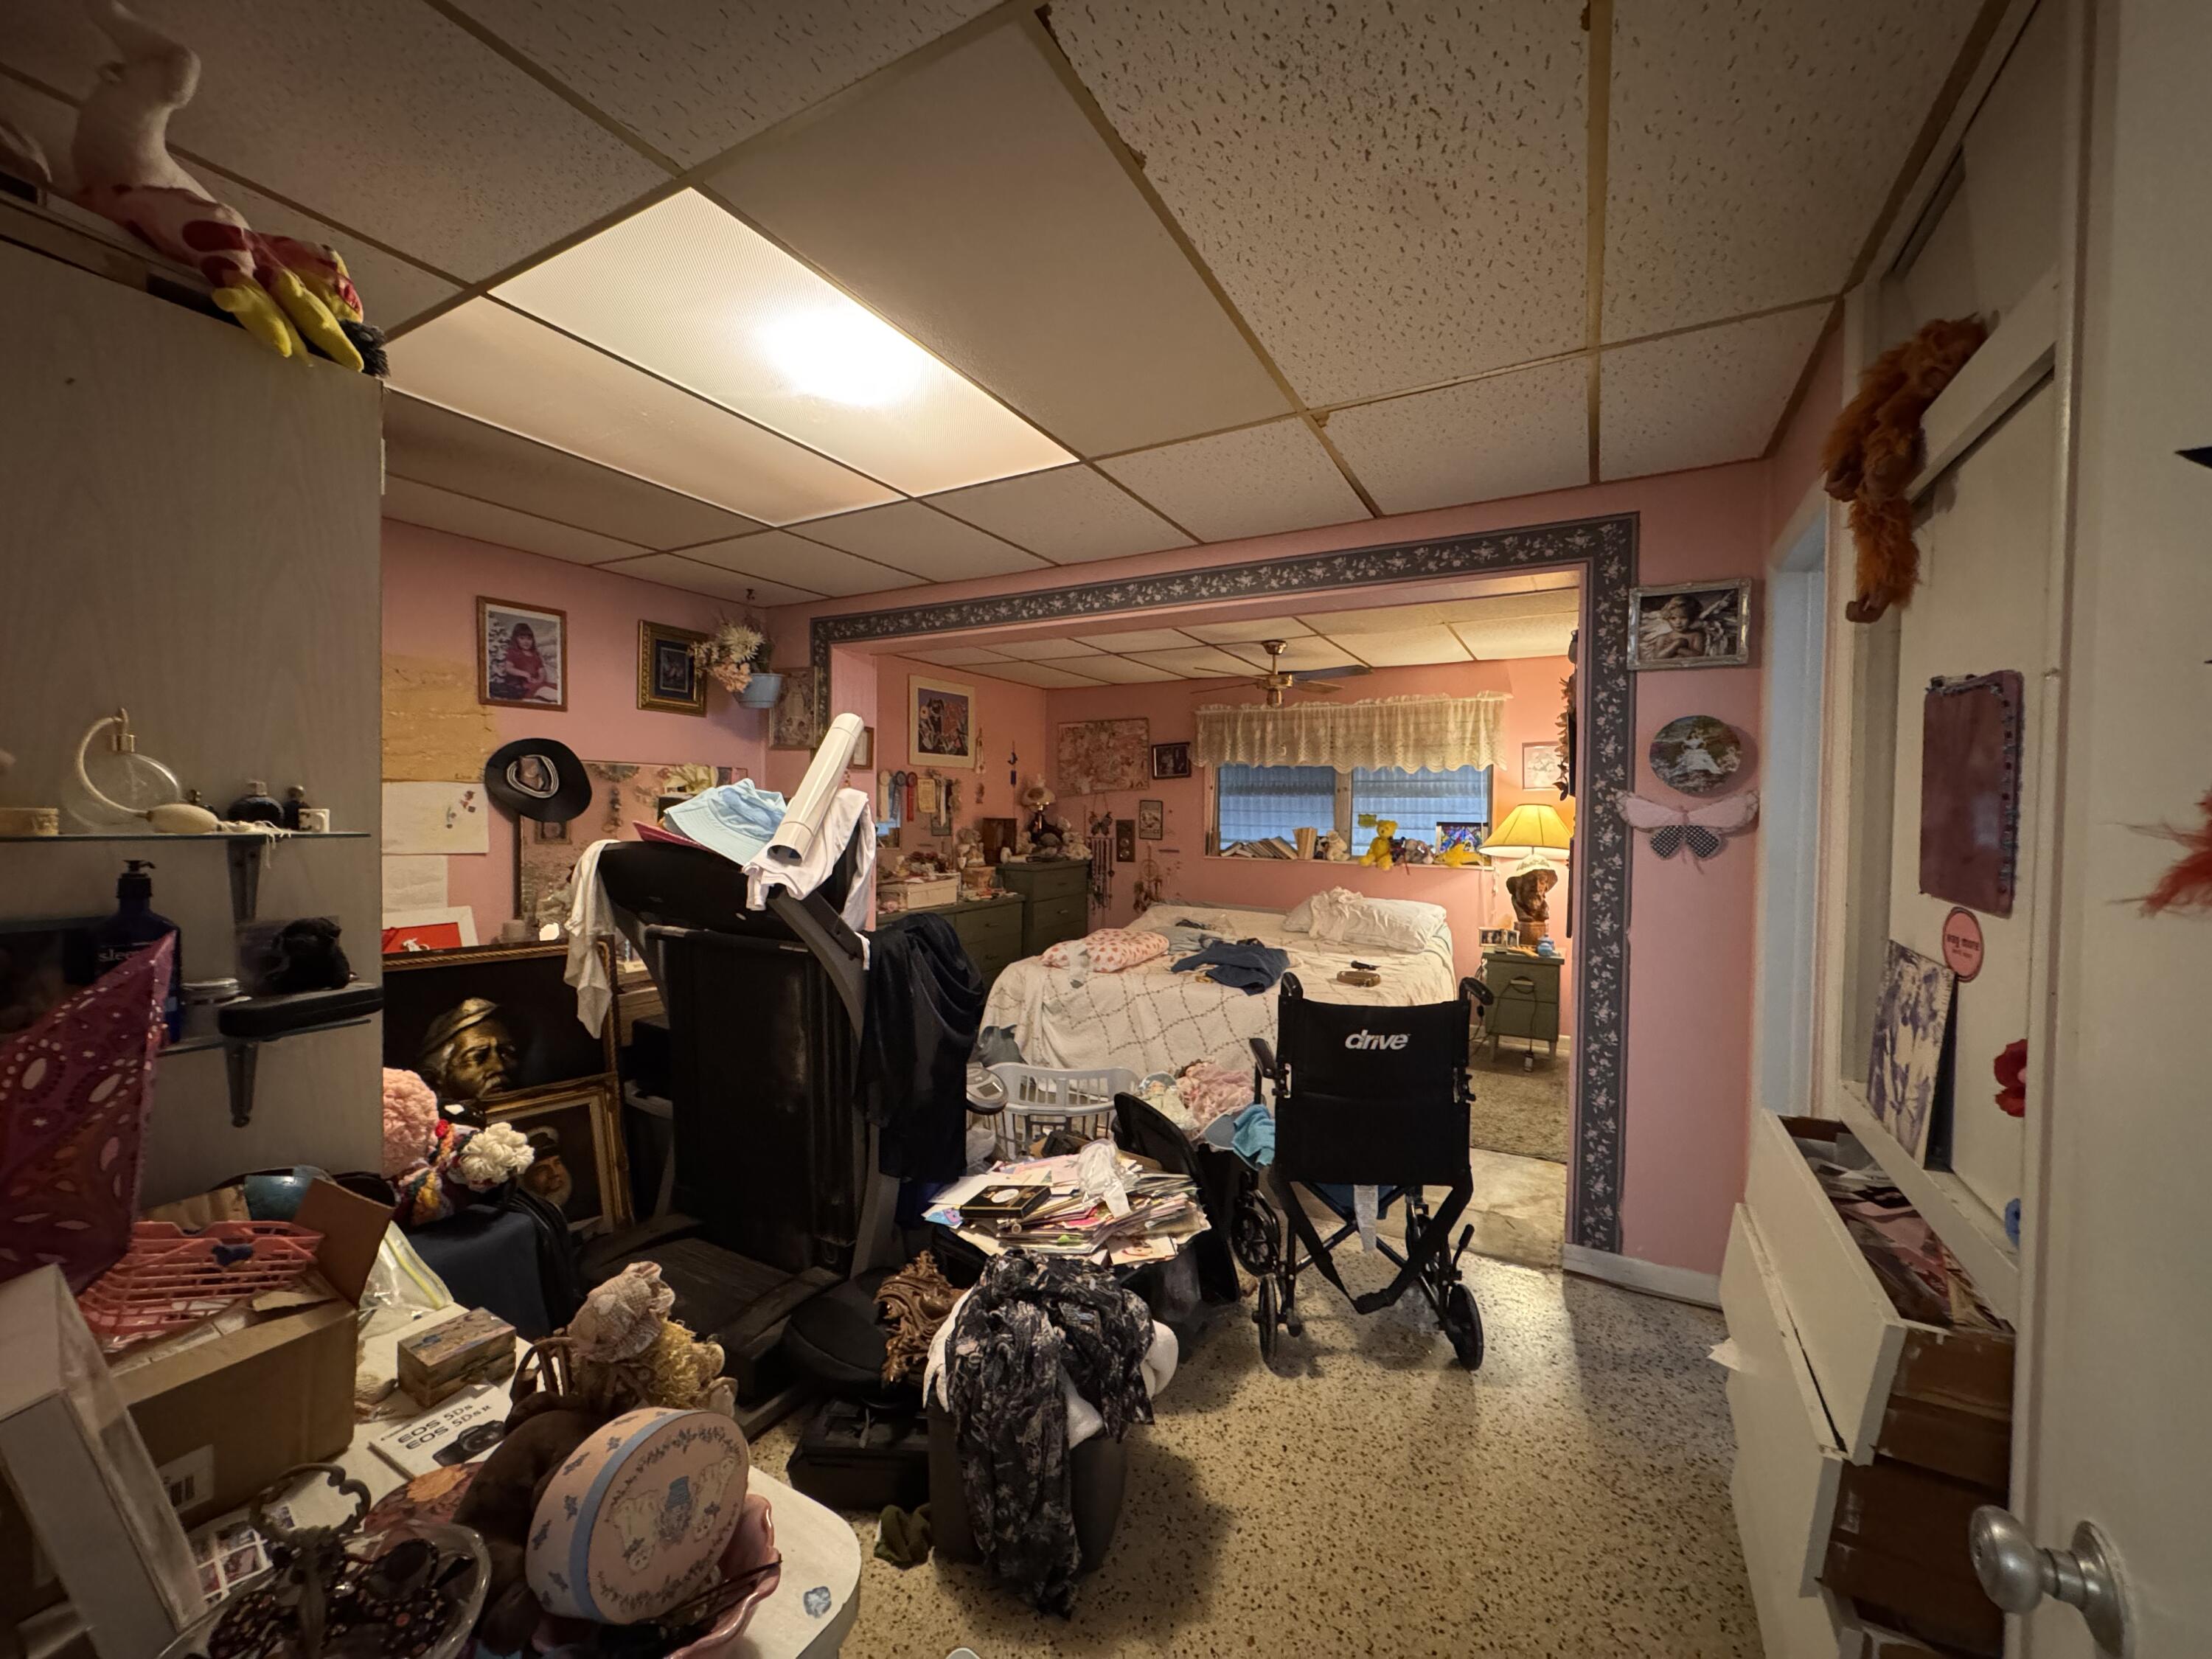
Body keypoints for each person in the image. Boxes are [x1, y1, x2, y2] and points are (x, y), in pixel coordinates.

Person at [492, 621, 554, 702]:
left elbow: (542, 672)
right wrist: (524, 674)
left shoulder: (535, 655)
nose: (526, 642)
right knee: (544, 691)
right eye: (522, 638)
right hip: (521, 686)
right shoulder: (513, 653)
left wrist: (539, 680)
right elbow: (509, 668)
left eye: (529, 639)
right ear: (515, 639)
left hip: (534, 683)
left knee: (552, 688)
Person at [1639, 594, 1707, 661]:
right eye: (1673, 618)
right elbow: (1657, 658)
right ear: (1667, 619)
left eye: (1683, 618)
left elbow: (1698, 656)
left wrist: (1679, 649)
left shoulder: (1696, 635)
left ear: (1692, 619)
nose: (1678, 622)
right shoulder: (1663, 638)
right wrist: (1675, 644)